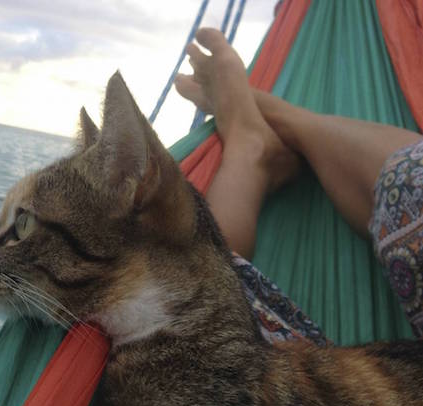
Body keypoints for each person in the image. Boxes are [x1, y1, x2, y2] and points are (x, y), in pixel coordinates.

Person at [174, 28, 423, 337]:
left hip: (310, 378)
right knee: (414, 183)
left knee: (177, 299)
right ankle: (274, 117)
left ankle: (250, 140)